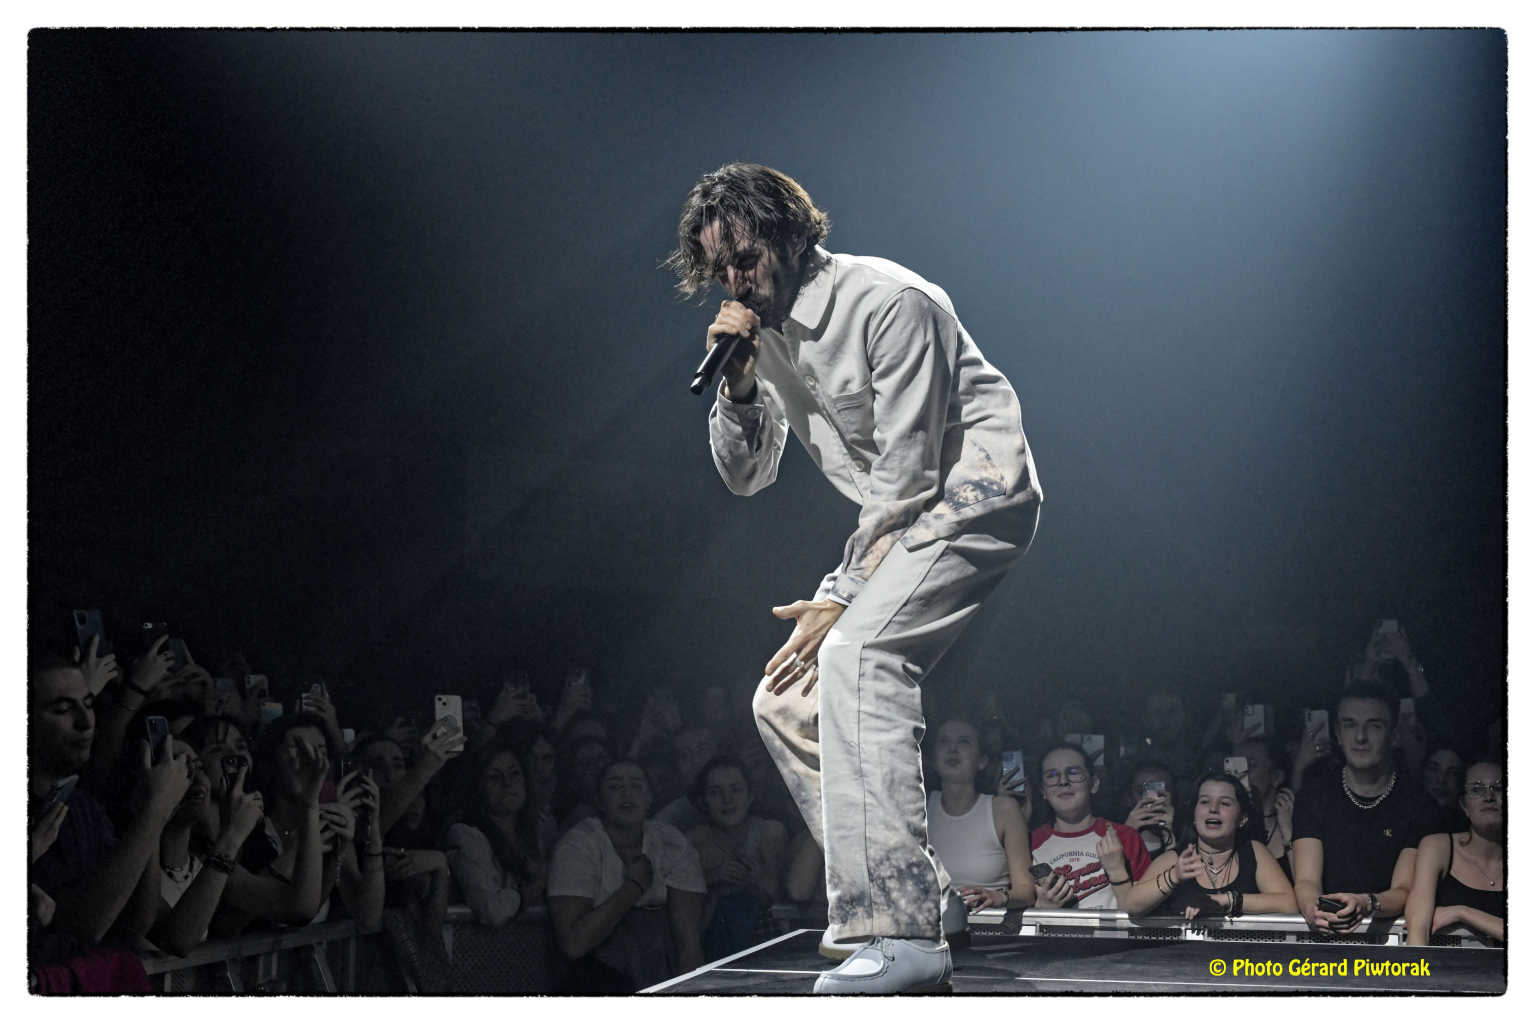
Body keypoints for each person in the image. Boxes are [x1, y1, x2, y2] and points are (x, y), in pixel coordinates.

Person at [673, 163, 1041, 994]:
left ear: (791, 236)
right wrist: (739, 384)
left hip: (973, 496)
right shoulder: (763, 337)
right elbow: (746, 477)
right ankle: (923, 890)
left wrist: (841, 595)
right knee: (785, 700)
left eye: (745, 258)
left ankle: (901, 934)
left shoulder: (889, 301)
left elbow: (908, 474)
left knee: (859, 656)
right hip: (897, 525)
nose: (735, 281)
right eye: (719, 268)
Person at [29, 655, 190, 970]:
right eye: (62, 710)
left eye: (88, 704)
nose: (85, 721)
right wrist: (154, 810)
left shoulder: (84, 805)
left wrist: (150, 812)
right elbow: (86, 923)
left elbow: (135, 923)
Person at [547, 760, 707, 992]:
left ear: (650, 798)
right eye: (614, 786)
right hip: (592, 977)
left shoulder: (672, 843)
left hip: (658, 969)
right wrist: (634, 886)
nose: (626, 794)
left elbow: (688, 942)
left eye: (637, 786)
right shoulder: (577, 846)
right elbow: (574, 944)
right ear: (598, 799)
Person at [1291, 684, 1437, 934]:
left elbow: (1404, 889)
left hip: (1391, 941)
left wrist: (1365, 903)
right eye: (1350, 725)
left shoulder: (1419, 804)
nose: (1360, 737)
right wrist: (1314, 911)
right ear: (1338, 733)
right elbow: (1306, 880)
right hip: (1325, 938)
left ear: (1394, 735)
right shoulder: (1314, 796)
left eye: (1374, 726)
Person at [1111, 772, 1297, 918]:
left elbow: (1289, 904)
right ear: (1194, 814)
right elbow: (1132, 905)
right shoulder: (1174, 859)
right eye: (1205, 802)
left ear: (1242, 818)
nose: (1213, 809)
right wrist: (1174, 876)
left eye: (1225, 803)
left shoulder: (1254, 852)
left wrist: (1223, 900)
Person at [925, 719, 1035, 918]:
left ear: (982, 761)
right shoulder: (918, 806)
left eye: (964, 741)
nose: (952, 749)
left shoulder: (1004, 809)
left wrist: (999, 897)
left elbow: (1026, 891)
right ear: (933, 759)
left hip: (987, 928)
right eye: (944, 741)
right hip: (928, 928)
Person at [684, 755, 788, 961]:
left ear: (750, 795)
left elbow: (790, 898)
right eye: (715, 792)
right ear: (702, 801)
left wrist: (759, 878)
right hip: (712, 949)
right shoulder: (694, 841)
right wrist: (714, 878)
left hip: (766, 948)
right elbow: (683, 910)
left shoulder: (770, 833)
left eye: (736, 790)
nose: (727, 800)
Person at [1030, 743, 1151, 910]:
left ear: (1093, 784)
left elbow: (1145, 909)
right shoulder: (1029, 843)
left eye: (1073, 772)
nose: (1063, 781)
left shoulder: (1125, 836)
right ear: (1043, 791)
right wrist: (1042, 907)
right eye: (1052, 775)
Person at [445, 742, 548, 927]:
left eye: (514, 773)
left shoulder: (541, 829)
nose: (507, 783)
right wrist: (538, 884)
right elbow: (494, 912)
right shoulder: (465, 836)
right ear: (477, 787)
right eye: (494, 777)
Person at [1405, 761, 1503, 945]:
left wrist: (1463, 912)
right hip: (1445, 964)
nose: (1489, 797)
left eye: (1499, 789)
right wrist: (1418, 964)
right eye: (1476, 789)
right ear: (1464, 804)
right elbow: (1418, 926)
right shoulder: (1438, 847)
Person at [1232, 738, 1295, 880]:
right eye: (1236, 766)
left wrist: (1288, 833)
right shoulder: (1227, 826)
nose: (1240, 773)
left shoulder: (1294, 822)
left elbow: (1305, 882)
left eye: (1251, 765)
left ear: (1276, 777)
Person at [1119, 760, 1178, 857]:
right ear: (1129, 797)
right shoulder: (1112, 834)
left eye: (1160, 792)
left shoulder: (1190, 836)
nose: (1152, 799)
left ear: (1174, 794)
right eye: (1141, 792)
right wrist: (1127, 833)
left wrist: (1168, 834)